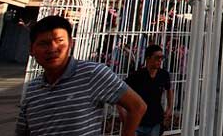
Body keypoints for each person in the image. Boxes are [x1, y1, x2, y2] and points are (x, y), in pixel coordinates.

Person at [17, 15, 146, 136]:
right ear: (31, 49)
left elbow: (138, 106)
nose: (52, 49)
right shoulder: (32, 90)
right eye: (44, 44)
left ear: (71, 44)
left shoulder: (93, 74)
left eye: (60, 41)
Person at [126, 45, 174, 136]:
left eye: (162, 58)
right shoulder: (137, 75)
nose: (160, 60)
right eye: (157, 58)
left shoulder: (163, 74)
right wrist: (123, 113)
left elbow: (169, 89)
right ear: (148, 58)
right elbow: (122, 90)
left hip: (156, 120)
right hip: (138, 120)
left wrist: (170, 107)